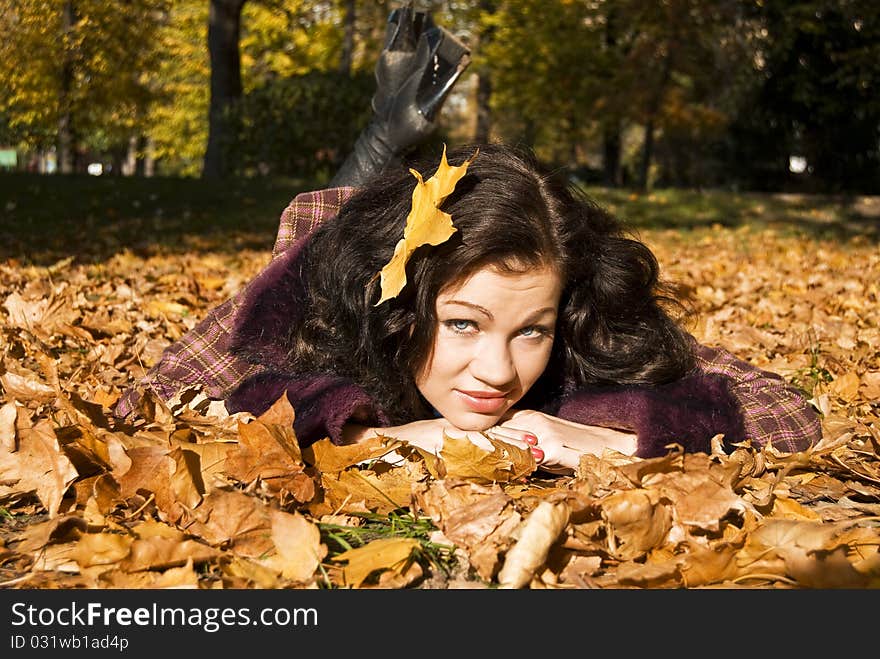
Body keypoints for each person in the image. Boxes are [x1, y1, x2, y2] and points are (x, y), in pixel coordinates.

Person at [115, 15, 822, 476]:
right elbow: (148, 407)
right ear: (405, 306)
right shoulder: (310, 307)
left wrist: (604, 436)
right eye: (462, 323)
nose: (497, 371)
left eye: (531, 330)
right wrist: (373, 438)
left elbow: (786, 410)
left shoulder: (585, 324)